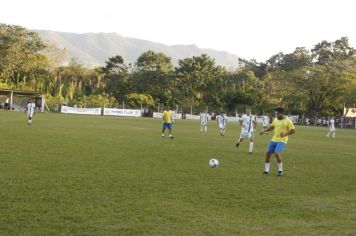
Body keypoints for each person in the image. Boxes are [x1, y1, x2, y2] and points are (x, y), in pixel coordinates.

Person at [260, 107, 295, 176]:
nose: (276, 115)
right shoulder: (275, 119)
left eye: (278, 114)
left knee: (277, 153)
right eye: (276, 114)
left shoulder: (288, 121)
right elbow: (272, 127)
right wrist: (264, 131)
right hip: (274, 139)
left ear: (282, 113)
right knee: (268, 154)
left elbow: (293, 130)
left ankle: (280, 171)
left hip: (282, 140)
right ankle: (266, 171)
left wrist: (285, 134)